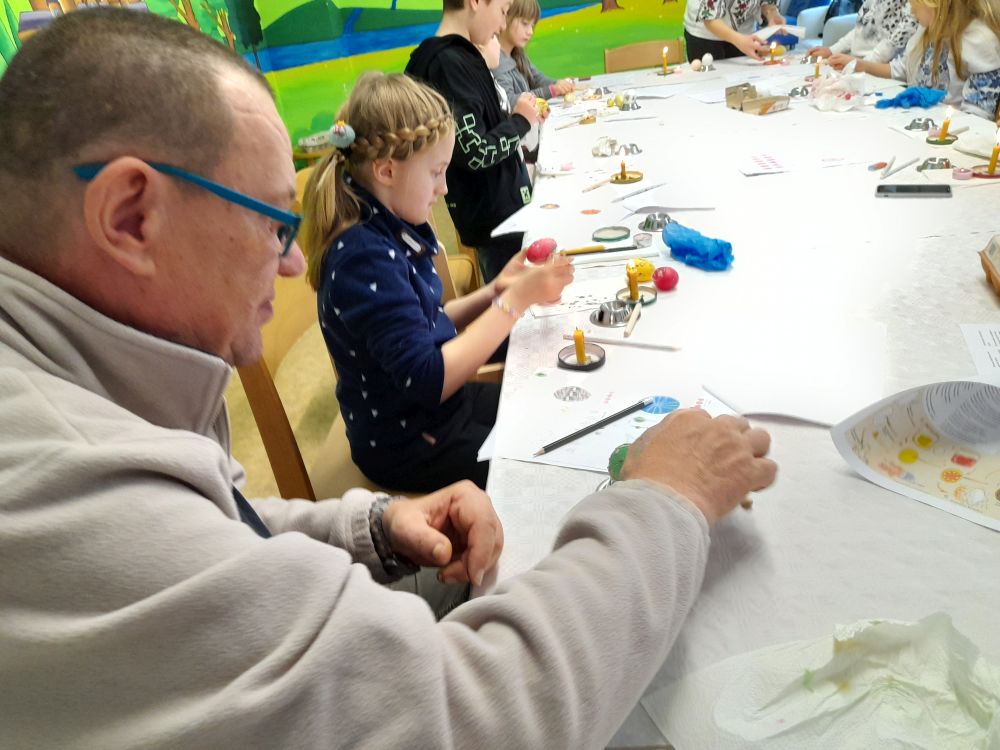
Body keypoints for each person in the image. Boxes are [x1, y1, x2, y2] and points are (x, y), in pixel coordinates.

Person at [0, 9, 778, 749]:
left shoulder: (103, 385)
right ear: (132, 218)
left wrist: (368, 527)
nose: (294, 263)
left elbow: (220, 518)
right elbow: (465, 719)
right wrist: (668, 500)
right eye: (271, 222)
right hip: (414, 439)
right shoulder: (61, 489)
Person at [300, 72, 572, 493]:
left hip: (439, 414)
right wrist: (515, 302)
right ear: (386, 170)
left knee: (553, 412)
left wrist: (494, 292)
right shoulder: (363, 257)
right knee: (548, 467)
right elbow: (429, 379)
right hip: (409, 444)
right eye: (436, 172)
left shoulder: (385, 225)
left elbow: (427, 321)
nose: (444, 189)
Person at [405, 0, 541, 282]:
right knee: (510, 302)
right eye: (502, 12)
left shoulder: (458, 58)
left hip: (502, 214)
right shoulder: (447, 64)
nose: (502, 25)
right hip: (495, 222)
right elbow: (475, 152)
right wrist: (520, 121)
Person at [829, 0, 1000, 118]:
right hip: (913, 122)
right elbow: (901, 69)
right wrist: (858, 64)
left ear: (935, 4)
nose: (911, 11)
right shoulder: (926, 28)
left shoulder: (980, 41)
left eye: (915, 4)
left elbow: (977, 116)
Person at [494, 0, 574, 105]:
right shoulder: (495, 61)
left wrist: (559, 85)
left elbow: (537, 79)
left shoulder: (518, 54)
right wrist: (551, 91)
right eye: (525, 23)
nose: (530, 32)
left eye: (532, 26)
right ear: (505, 17)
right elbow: (509, 101)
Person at [809, 0, 918, 66]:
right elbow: (860, 28)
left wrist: (857, 65)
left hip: (878, 70)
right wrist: (831, 50)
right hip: (855, 62)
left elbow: (893, 45)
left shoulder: (914, 6)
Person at [684, 0, 787, 61]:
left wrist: (771, 13)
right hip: (706, 35)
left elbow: (768, 3)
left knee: (744, 82)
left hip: (745, 32)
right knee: (711, 84)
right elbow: (709, 18)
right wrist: (739, 40)